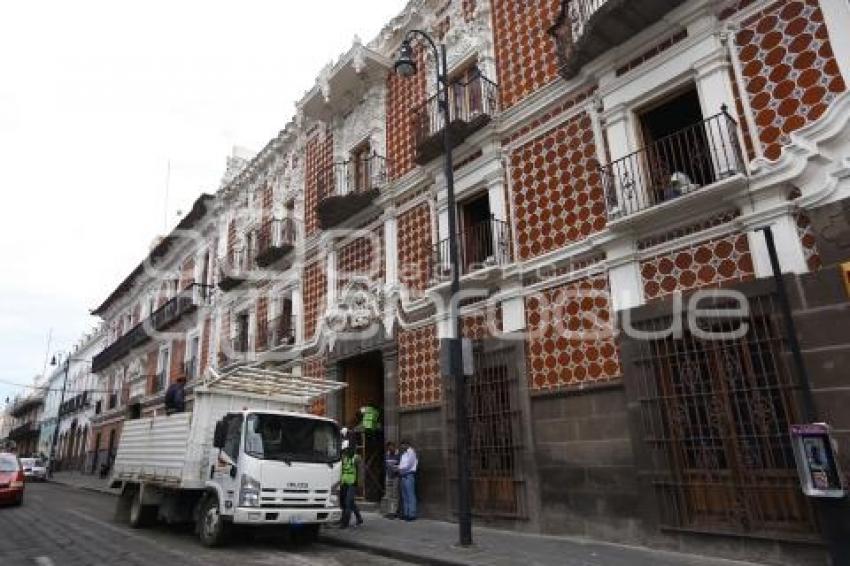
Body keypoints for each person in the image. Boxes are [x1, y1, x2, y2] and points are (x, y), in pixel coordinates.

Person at [338, 440, 363, 528]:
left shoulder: (357, 458)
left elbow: (360, 472)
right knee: (348, 503)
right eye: (345, 450)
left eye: (347, 449)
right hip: (344, 482)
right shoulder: (344, 457)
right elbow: (341, 470)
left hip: (352, 483)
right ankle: (359, 518)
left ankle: (345, 523)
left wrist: (360, 484)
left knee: (348, 503)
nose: (346, 451)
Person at [397, 439, 418, 521]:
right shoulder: (404, 454)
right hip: (403, 475)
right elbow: (402, 464)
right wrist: (398, 468)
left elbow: (409, 465)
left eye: (403, 445)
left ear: (406, 444)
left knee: (410, 495)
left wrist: (400, 468)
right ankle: (406, 513)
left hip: (409, 475)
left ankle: (412, 514)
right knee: (404, 496)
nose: (402, 447)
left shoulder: (411, 452)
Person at [383, 441, 400, 519]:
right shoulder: (387, 454)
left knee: (394, 495)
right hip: (388, 476)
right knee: (388, 494)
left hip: (396, 477)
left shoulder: (398, 455)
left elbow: (401, 465)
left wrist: (396, 468)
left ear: (394, 447)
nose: (390, 449)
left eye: (391, 448)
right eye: (389, 448)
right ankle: (389, 511)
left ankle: (394, 512)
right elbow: (386, 465)